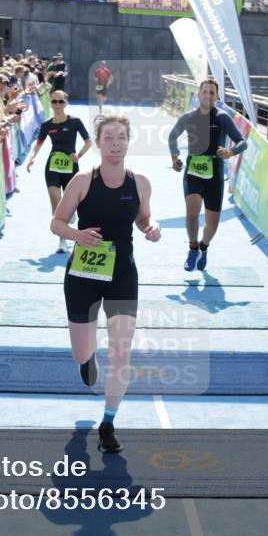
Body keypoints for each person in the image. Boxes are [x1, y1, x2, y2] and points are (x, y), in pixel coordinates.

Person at [50, 115, 160, 453]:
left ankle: (108, 423)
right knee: (81, 352)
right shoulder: (82, 181)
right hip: (83, 275)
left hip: (122, 274)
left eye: (121, 137)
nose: (115, 143)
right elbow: (57, 223)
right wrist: (77, 235)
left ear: (129, 142)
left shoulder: (140, 182)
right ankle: (87, 359)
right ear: (98, 143)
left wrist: (151, 228)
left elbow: (143, 217)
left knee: (122, 352)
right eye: (109, 137)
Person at [167, 77, 247, 271]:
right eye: (205, 91)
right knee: (192, 212)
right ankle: (193, 247)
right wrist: (174, 158)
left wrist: (231, 152)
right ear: (198, 94)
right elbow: (172, 136)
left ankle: (204, 245)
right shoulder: (188, 117)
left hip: (215, 173)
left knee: (212, 224)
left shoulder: (222, 118)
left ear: (217, 96)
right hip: (193, 170)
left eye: (212, 92)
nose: (208, 95)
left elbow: (242, 142)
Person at [27, 91, 94, 253]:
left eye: (60, 102)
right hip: (52, 167)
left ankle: (71, 216)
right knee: (56, 202)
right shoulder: (47, 125)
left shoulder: (75, 122)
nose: (57, 105)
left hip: (71, 167)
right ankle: (62, 239)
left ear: (66, 103)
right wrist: (32, 157)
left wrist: (79, 155)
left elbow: (88, 142)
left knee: (72, 202)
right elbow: (38, 143)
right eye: (54, 102)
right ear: (50, 103)